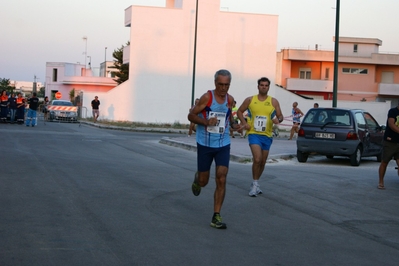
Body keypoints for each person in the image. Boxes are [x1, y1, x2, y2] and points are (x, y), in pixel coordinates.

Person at [188, 69, 239, 229]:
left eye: (227, 85)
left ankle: (216, 215)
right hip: (205, 144)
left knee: (222, 177)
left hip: (223, 144)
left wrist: (235, 125)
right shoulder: (207, 97)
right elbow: (191, 116)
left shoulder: (230, 100)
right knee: (204, 182)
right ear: (215, 83)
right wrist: (205, 122)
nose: (223, 88)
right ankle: (198, 179)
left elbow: (230, 118)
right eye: (220, 84)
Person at [237, 77, 283, 197]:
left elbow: (279, 115)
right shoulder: (250, 100)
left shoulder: (273, 101)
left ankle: (256, 183)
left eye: (266, 85)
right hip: (253, 133)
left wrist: (279, 119)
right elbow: (239, 112)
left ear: (268, 87)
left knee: (262, 161)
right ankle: (255, 183)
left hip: (267, 135)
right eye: (261, 85)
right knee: (257, 159)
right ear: (258, 86)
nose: (264, 87)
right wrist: (244, 123)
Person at [378, 105, 399, 189]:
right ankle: (381, 181)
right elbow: (391, 124)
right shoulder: (393, 111)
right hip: (390, 141)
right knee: (385, 162)